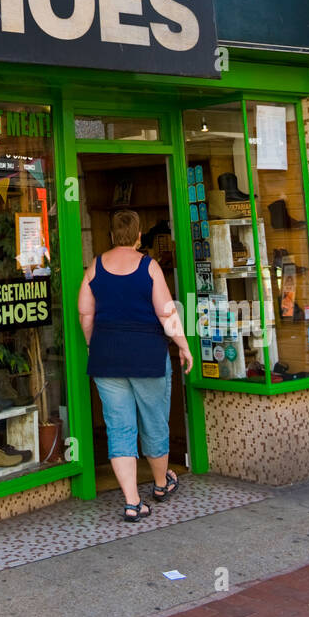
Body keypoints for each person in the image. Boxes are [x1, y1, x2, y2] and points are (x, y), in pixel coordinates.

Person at [77, 209, 193, 523]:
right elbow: (167, 313)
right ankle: (160, 484)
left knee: (119, 429)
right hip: (148, 359)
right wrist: (183, 346)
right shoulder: (149, 266)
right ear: (139, 235)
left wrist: (92, 343)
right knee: (154, 423)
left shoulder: (95, 267)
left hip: (107, 359)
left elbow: (85, 315)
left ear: (112, 235)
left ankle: (132, 502)